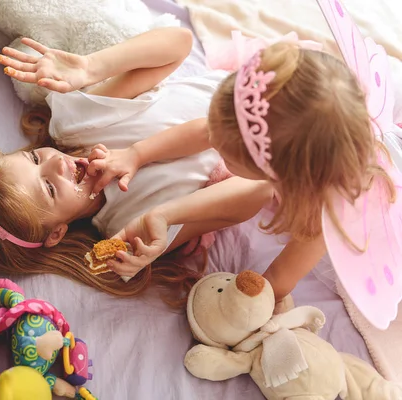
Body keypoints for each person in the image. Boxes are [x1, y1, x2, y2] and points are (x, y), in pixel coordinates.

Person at [0, 27, 271, 303]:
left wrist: (91, 68)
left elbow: (179, 43)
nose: (56, 163)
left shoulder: (79, 127)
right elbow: (258, 190)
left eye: (34, 158)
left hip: (250, 89)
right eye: (47, 187)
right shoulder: (132, 226)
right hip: (278, 141)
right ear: (57, 232)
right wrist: (164, 217)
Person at [90, 41, 396, 302]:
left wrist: (241, 303)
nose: (212, 142)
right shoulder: (276, 118)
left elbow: (279, 280)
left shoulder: (324, 205)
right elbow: (208, 131)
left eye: (223, 151)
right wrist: (136, 154)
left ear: (281, 176)